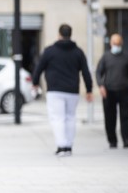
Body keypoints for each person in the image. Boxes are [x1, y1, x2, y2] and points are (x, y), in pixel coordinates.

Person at [32, 24, 94, 156]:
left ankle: (61, 146)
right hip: (72, 91)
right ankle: (69, 146)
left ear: (59, 34)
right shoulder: (78, 51)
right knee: (70, 118)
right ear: (70, 35)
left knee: (58, 118)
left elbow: (39, 68)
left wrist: (35, 83)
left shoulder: (49, 51)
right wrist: (89, 90)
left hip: (55, 90)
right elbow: (86, 72)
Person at [96, 33, 128, 148]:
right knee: (110, 117)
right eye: (114, 43)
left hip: (124, 90)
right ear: (111, 43)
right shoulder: (105, 57)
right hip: (109, 91)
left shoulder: (127, 56)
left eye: (118, 43)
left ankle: (127, 139)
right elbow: (98, 72)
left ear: (122, 43)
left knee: (125, 116)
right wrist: (101, 86)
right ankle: (112, 140)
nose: (116, 45)